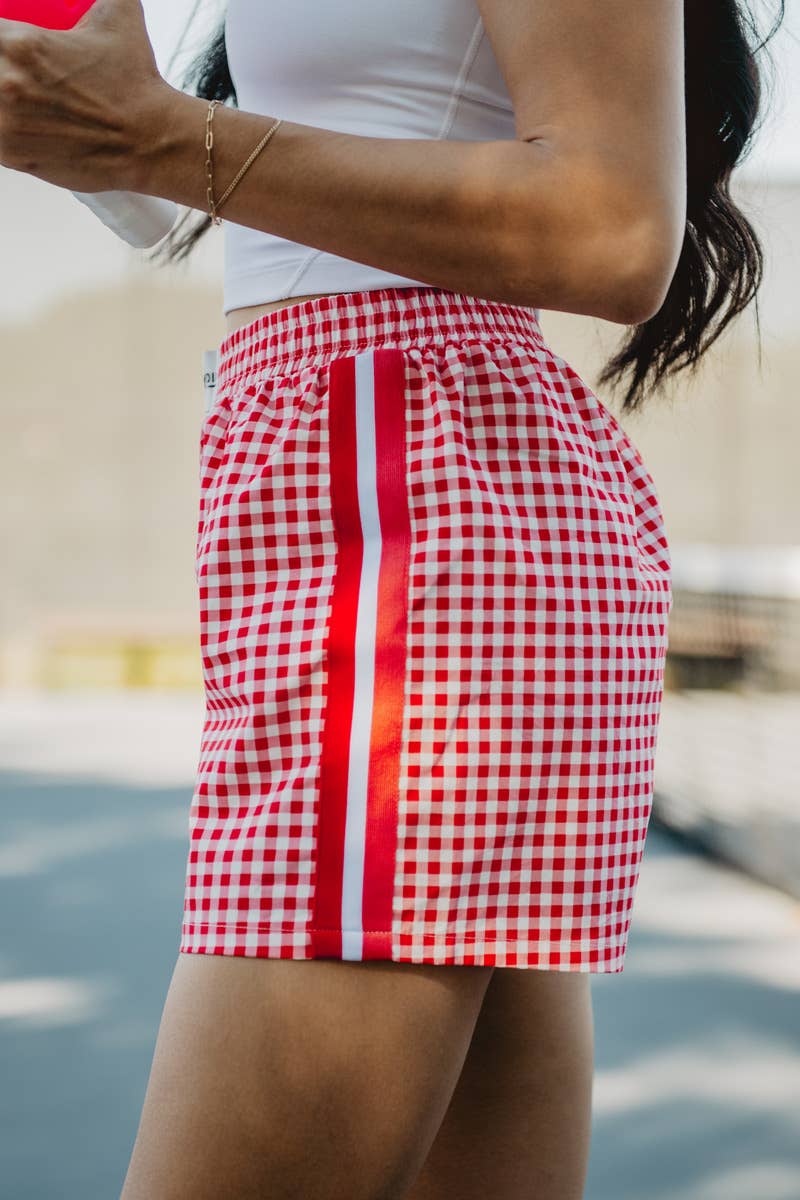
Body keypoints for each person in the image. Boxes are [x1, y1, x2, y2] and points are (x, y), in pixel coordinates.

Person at [0, 1, 784, 1196]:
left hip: (408, 504)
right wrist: (104, 133)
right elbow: (167, 184)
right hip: (372, 486)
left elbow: (613, 226)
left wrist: (157, 137)